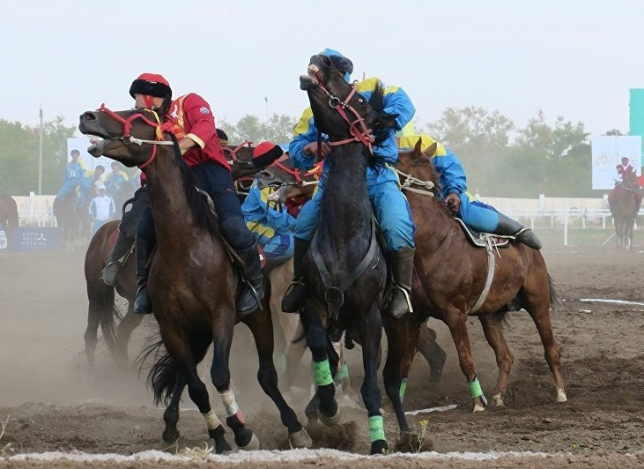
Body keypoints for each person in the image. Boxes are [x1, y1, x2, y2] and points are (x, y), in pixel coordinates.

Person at [281, 48, 417, 319]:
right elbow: (296, 146)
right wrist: (308, 148)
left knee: (395, 221)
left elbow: (405, 106)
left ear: (342, 74)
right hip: (335, 180)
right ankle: (300, 281)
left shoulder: (370, 88)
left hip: (377, 176)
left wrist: (370, 124)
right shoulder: (314, 110)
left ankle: (402, 289)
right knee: (305, 220)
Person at [128, 73, 264, 316]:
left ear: (151, 96)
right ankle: (143, 287)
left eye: (138, 98)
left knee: (233, 226)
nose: (136, 105)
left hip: (212, 173)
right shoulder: (152, 126)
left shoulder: (189, 102)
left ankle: (255, 284)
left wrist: (177, 148)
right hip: (177, 180)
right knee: (144, 226)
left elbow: (205, 127)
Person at [398, 133, 542, 249]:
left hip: (443, 195)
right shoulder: (377, 152)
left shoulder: (420, 142)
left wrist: (453, 192)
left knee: (471, 214)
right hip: (399, 200)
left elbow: (451, 166)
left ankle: (518, 230)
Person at [241, 142, 295, 266]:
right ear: (273, 164)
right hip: (254, 224)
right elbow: (279, 221)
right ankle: (254, 268)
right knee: (287, 243)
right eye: (284, 159)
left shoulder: (283, 162)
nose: (289, 161)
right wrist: (303, 219)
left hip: (273, 220)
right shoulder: (267, 182)